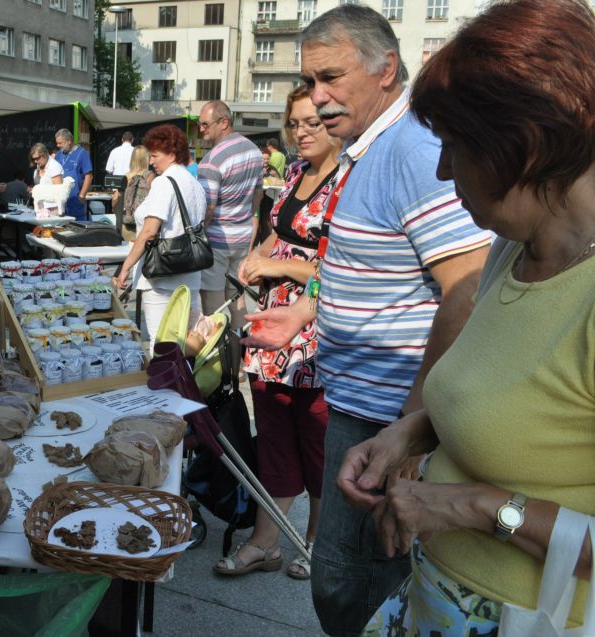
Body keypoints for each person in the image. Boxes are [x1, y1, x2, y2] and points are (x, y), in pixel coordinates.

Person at [242, 6, 493, 635]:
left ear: (386, 69)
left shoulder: (411, 147)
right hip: (360, 406)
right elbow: (368, 268)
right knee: (344, 582)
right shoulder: (366, 148)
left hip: (386, 418)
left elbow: (465, 287)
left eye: (330, 78)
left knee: (354, 588)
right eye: (308, 81)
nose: (316, 97)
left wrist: (413, 426)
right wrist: (305, 312)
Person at [350, 1, 595, 633]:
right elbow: (521, 403)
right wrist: (417, 431)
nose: (440, 170)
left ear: (528, 145)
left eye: (455, 148)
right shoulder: (512, 249)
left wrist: (476, 507)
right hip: (438, 597)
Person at [215, 86, 340, 581]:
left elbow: (344, 266)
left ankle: (316, 542)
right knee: (272, 436)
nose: (302, 132)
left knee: (319, 441)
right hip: (270, 325)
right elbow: (280, 232)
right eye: (295, 123)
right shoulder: (294, 174)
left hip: (317, 329)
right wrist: (257, 256)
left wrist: (277, 265)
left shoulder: (350, 183)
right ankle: (266, 542)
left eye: (313, 122)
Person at [113, 124, 206, 351]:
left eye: (155, 155)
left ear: (172, 154)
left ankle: (165, 385)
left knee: (160, 342)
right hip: (191, 273)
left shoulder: (165, 183)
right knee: (187, 342)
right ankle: (185, 384)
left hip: (162, 275)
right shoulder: (195, 184)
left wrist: (125, 268)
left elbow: (149, 231)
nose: (151, 161)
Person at [196, 100, 264, 349]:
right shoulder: (254, 151)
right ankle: (239, 361)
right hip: (242, 235)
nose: (201, 129)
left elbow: (208, 209)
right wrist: (245, 217)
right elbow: (258, 194)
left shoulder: (212, 160)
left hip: (217, 240)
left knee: (213, 305)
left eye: (205, 124)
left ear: (223, 122)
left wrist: (200, 237)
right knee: (237, 299)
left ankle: (219, 363)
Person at [114, 145, 154, 242]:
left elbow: (115, 199)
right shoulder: (149, 176)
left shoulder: (126, 176)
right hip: (140, 225)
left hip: (124, 223)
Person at [54, 128, 93, 221]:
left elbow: (89, 176)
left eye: (60, 143)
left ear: (69, 141)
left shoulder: (82, 154)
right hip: (59, 201)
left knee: (76, 229)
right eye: (57, 143)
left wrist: (82, 195)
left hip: (75, 200)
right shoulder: (58, 155)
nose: (58, 145)